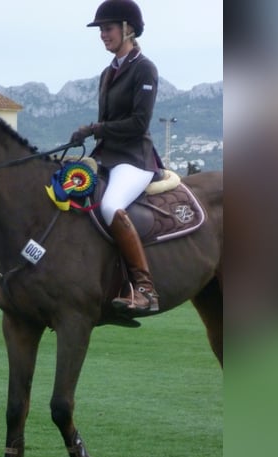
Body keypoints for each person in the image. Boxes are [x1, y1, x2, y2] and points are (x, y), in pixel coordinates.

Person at [70, 0, 160, 314]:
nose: (102, 35)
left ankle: (145, 289)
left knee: (110, 205)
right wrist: (89, 135)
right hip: (106, 156)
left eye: (107, 29)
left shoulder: (144, 68)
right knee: (68, 192)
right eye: (101, 30)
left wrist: (96, 127)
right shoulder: (107, 73)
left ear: (127, 29)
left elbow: (139, 123)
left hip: (135, 159)